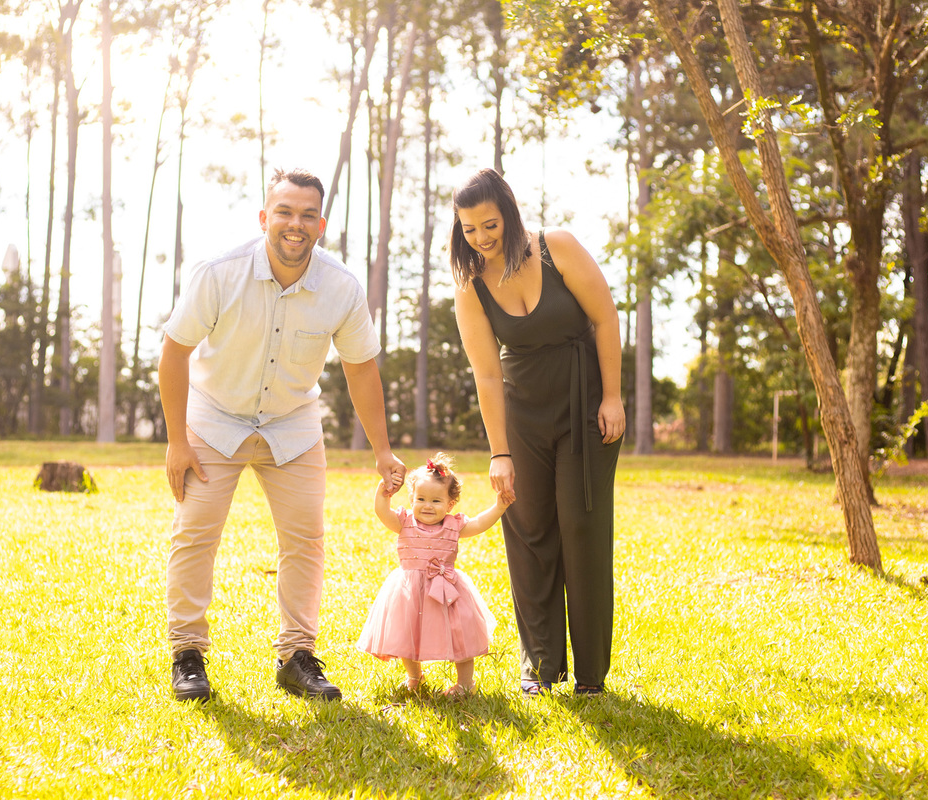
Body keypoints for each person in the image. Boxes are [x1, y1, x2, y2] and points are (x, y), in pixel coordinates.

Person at [158, 167, 406, 703]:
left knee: (306, 543)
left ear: (320, 224)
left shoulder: (341, 287)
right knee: (195, 534)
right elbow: (174, 352)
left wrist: (382, 450)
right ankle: (188, 655)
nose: (295, 224)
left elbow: (361, 368)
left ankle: (297, 657)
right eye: (284, 212)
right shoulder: (218, 273)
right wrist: (177, 440)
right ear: (265, 218)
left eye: (306, 215)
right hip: (214, 421)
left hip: (292, 425)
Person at [449, 168, 625, 697]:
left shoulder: (559, 248)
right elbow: (485, 372)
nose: (481, 237)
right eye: (469, 229)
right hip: (522, 417)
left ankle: (591, 676)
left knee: (582, 529)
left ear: (509, 211)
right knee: (528, 535)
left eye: (489, 224)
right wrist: (499, 452)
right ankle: (542, 667)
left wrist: (613, 396)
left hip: (584, 406)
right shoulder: (471, 285)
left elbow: (606, 319)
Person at [357, 453, 508, 697]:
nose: (427, 506)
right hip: (410, 591)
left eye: (436, 501)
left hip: (447, 591)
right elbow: (382, 514)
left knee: (461, 634)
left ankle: (465, 683)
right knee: (408, 633)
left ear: (450, 504)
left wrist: (499, 506)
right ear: (412, 499)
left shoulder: (454, 525)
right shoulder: (404, 522)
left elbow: (479, 523)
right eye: (421, 499)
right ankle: (414, 676)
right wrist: (382, 495)